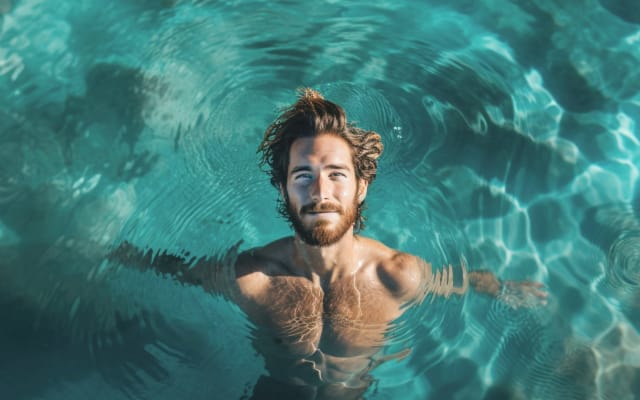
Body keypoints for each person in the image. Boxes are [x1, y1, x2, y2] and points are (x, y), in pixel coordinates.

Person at [109, 88, 547, 399]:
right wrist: (120, 255)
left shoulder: (397, 276)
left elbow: (458, 281)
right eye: (303, 176)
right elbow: (181, 269)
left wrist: (506, 288)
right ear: (283, 190)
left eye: (337, 174)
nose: (321, 191)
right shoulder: (253, 280)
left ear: (361, 188)